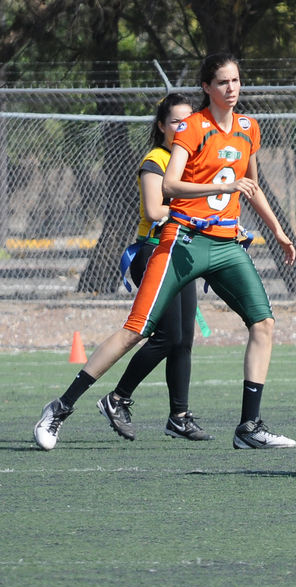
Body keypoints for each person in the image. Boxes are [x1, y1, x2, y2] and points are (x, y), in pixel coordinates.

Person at [34, 53, 296, 451]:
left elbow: (251, 186)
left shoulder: (248, 128)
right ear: (206, 87)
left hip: (225, 244)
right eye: (223, 82)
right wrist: (219, 190)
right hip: (183, 241)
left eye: (237, 81)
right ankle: (60, 407)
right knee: (136, 331)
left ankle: (249, 427)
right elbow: (171, 187)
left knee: (264, 325)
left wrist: (278, 231)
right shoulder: (192, 128)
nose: (232, 89)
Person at [94, 93, 213, 443]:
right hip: (154, 253)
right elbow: (153, 210)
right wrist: (193, 214)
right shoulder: (157, 160)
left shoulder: (192, 161)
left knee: (184, 340)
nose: (183, 127)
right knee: (166, 337)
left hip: (181, 254)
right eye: (176, 121)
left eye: (188, 121)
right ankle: (117, 399)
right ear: (161, 126)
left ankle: (179, 416)